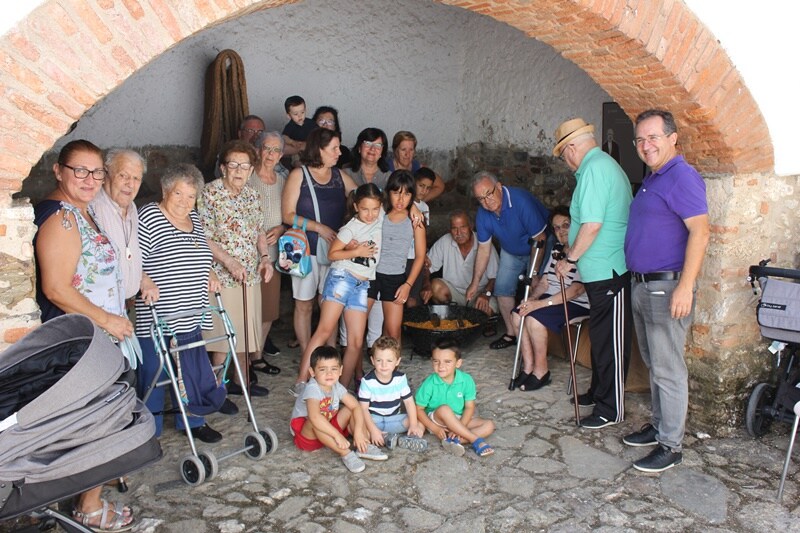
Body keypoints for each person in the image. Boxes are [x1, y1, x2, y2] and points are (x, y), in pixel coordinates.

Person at [33, 139, 134, 531]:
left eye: (96, 172)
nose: (90, 179)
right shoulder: (61, 218)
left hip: (97, 339)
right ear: (59, 171)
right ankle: (89, 508)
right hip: (81, 341)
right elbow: (57, 287)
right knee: (98, 421)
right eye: (80, 170)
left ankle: (90, 485)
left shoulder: (81, 211)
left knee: (100, 417)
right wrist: (107, 321)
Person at [622, 109, 710, 473]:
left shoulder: (682, 176)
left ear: (673, 138)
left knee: (668, 368)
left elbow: (701, 232)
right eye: (640, 139)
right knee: (655, 365)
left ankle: (671, 446)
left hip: (665, 286)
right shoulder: (654, 177)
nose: (646, 145)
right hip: (644, 284)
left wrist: (685, 287)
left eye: (653, 137)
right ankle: (659, 427)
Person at [135, 164, 227, 442]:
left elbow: (200, 253)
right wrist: (143, 279)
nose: (184, 202)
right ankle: (149, 431)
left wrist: (209, 272)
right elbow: (131, 259)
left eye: (191, 196)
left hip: (190, 312)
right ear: (165, 190)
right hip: (159, 314)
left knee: (190, 369)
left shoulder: (195, 219)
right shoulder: (149, 216)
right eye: (179, 194)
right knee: (154, 371)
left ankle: (193, 420)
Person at [552, 117, 632, 430]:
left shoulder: (596, 169)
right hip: (600, 272)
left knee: (610, 341)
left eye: (563, 155)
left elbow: (592, 225)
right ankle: (600, 393)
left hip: (609, 271)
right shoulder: (596, 166)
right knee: (601, 338)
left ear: (571, 148)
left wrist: (570, 259)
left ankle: (611, 409)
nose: (565, 161)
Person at [283, 128, 358, 394]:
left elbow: (363, 196)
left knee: (330, 307)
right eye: (335, 148)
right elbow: (287, 214)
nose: (339, 153)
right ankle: (309, 357)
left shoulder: (340, 176)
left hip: (334, 252)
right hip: (305, 251)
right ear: (320, 149)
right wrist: (319, 227)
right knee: (303, 305)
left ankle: (329, 357)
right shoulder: (298, 175)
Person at [200, 139, 275, 401]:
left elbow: (258, 231)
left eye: (245, 166)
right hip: (222, 277)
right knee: (222, 339)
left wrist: (265, 258)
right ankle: (214, 394)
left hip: (249, 275)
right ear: (223, 168)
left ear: (252, 170)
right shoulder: (209, 194)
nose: (239, 170)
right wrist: (229, 262)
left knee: (244, 336)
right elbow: (203, 236)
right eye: (233, 165)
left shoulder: (252, 195)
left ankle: (241, 383)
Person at [296, 183, 384, 394]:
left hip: (362, 284)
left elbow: (402, 209)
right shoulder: (350, 228)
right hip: (342, 278)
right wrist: (358, 251)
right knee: (324, 330)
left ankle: (340, 391)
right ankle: (301, 381)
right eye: (365, 209)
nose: (370, 214)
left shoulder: (382, 220)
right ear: (356, 207)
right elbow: (332, 255)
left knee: (355, 341)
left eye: (375, 208)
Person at [466, 171, 549, 350]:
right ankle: (513, 335)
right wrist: (474, 283)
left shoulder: (520, 201)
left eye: (489, 194)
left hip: (537, 247)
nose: (486, 202)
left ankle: (539, 338)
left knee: (537, 287)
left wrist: (534, 272)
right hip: (511, 250)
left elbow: (540, 238)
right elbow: (483, 249)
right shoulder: (483, 214)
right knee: (502, 289)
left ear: (499, 186)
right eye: (481, 199)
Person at [510, 206, 589, 392]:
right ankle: (528, 366)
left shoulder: (583, 252)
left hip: (575, 303)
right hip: (549, 298)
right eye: (556, 228)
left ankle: (541, 371)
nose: (561, 231)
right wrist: (532, 298)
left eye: (566, 225)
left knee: (534, 320)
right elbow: (545, 281)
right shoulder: (557, 249)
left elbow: (577, 290)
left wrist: (540, 304)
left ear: (576, 225)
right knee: (518, 314)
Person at [290, 345, 388, 473]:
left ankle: (363, 445)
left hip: (328, 427)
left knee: (350, 409)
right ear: (312, 372)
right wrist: (337, 435)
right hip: (308, 436)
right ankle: (346, 453)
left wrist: (358, 432)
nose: (329, 374)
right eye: (323, 369)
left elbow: (356, 406)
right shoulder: (312, 388)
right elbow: (314, 417)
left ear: (341, 370)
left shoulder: (336, 385)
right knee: (315, 420)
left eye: (334, 369)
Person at [367, 170, 427, 341]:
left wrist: (408, 285)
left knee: (393, 334)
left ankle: (391, 367)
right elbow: (363, 194)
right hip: (370, 275)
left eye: (407, 194)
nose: (401, 200)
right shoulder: (379, 212)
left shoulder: (415, 220)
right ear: (388, 192)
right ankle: (356, 369)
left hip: (395, 278)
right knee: (357, 327)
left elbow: (420, 256)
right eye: (396, 193)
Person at [90, 148, 152, 304]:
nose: (130, 184)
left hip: (122, 305)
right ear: (106, 174)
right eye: (123, 175)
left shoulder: (132, 208)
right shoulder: (93, 208)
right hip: (99, 308)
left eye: (136, 178)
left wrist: (141, 278)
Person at [415, 338, 496, 457]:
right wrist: (435, 429)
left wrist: (460, 426)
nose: (441, 366)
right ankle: (475, 440)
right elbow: (418, 409)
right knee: (444, 409)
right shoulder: (430, 383)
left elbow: (469, 407)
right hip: (437, 420)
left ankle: (455, 441)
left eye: (447, 362)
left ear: (458, 363)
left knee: (489, 425)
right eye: (436, 361)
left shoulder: (466, 380)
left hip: (458, 419)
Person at [249, 131, 287, 365]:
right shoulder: (248, 176)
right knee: (248, 310)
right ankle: (242, 361)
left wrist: (282, 228)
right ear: (257, 150)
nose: (271, 154)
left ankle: (258, 356)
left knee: (269, 311)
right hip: (246, 256)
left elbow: (289, 214)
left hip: (272, 257)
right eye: (267, 148)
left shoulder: (283, 182)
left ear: (282, 155)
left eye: (276, 150)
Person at [422, 209, 499, 318]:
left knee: (484, 313)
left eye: (463, 227)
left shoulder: (484, 243)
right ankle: (452, 316)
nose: (459, 233)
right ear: (450, 230)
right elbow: (426, 267)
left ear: (471, 226)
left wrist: (485, 294)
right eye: (454, 228)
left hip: (480, 293)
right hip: (454, 294)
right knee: (435, 287)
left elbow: (495, 277)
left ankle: (460, 317)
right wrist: (426, 284)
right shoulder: (445, 241)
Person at [357, 336, 427, 451]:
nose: (384, 365)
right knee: (355, 427)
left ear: (397, 361)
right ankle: (384, 437)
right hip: (374, 421)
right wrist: (373, 430)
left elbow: (409, 402)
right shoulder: (367, 381)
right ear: (372, 360)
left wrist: (413, 424)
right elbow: (363, 409)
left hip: (395, 419)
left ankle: (410, 438)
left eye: (389, 361)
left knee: (420, 423)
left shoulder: (400, 378)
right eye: (379, 360)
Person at [403, 167, 434, 308]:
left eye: (428, 188)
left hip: (417, 257)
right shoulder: (403, 203)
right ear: (413, 183)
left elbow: (423, 233)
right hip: (403, 256)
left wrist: (425, 253)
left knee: (413, 297)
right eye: (421, 186)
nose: (424, 191)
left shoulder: (425, 207)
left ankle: (410, 328)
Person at [387, 131, 445, 201]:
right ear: (395, 151)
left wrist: (418, 202)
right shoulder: (386, 169)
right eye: (403, 150)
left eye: (411, 150)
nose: (407, 154)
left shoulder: (418, 167)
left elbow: (440, 186)